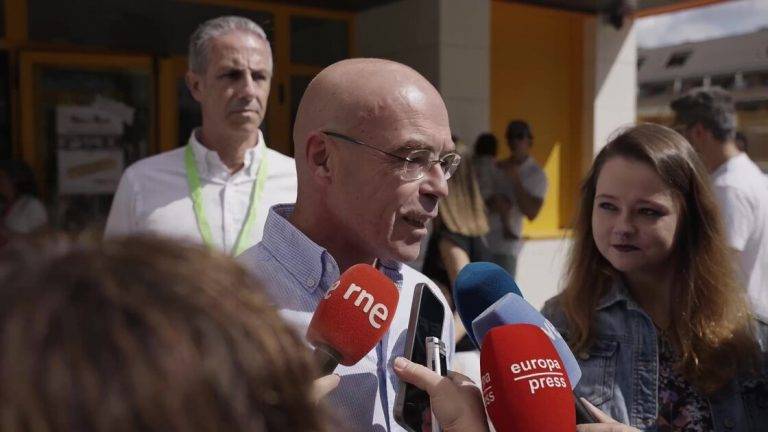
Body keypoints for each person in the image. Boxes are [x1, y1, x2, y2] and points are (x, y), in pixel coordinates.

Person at [238, 58, 459, 431]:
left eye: (445, 162)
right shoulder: (227, 307)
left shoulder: (427, 300)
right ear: (323, 159)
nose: (440, 187)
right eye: (413, 158)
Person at [542, 124, 768, 431]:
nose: (623, 226)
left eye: (647, 212)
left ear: (689, 217)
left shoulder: (750, 339)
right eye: (608, 206)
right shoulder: (561, 324)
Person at [105, 16, 297, 255]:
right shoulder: (140, 182)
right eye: (231, 75)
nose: (248, 90)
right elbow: (111, 284)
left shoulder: (299, 183)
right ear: (196, 85)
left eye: (259, 76)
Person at [671, 87, 768, 320]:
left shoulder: (728, 188)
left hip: (738, 324)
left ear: (699, 132)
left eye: (681, 134)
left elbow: (719, 268)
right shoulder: (754, 176)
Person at [422, 148, 490, 348]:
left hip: (460, 355)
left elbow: (469, 302)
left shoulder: (449, 239)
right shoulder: (475, 234)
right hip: (474, 350)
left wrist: (440, 347)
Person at [485, 120, 548, 277]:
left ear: (529, 140)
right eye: (510, 136)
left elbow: (532, 213)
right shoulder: (498, 167)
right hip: (483, 242)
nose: (514, 141)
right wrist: (494, 203)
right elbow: (483, 202)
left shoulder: (536, 174)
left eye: (519, 136)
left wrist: (516, 180)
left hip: (507, 248)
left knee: (504, 297)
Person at [0, 159, 48, 241]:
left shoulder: (32, 205)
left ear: (15, 179)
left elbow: (42, 240)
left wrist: (6, 233)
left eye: (3, 176)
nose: (0, 180)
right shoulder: (4, 205)